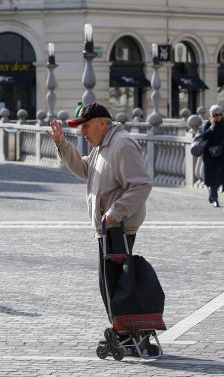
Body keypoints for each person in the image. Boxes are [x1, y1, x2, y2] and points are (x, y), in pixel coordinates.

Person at [46, 102, 152, 338]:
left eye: (86, 126)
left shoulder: (121, 145)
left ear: (103, 124)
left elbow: (142, 184)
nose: (82, 132)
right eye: (80, 127)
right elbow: (86, 170)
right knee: (110, 284)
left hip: (119, 226)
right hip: (108, 226)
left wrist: (116, 212)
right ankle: (127, 330)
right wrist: (61, 143)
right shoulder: (103, 145)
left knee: (115, 285)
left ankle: (127, 333)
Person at [200, 104, 224, 207]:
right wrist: (212, 127)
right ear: (212, 115)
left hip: (222, 155)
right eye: (215, 115)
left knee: (221, 178)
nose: (218, 116)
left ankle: (212, 193)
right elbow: (204, 136)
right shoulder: (208, 124)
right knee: (213, 178)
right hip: (210, 156)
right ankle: (215, 199)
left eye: (220, 114)